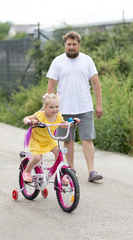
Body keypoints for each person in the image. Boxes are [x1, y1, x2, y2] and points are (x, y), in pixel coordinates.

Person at [46, 31, 103, 182]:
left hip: (85, 108)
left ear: (79, 45)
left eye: (74, 44)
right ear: (65, 45)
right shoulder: (58, 62)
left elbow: (96, 83)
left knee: (87, 139)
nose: (71, 47)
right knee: (67, 141)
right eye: (69, 44)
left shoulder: (87, 60)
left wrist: (99, 105)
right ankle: (70, 169)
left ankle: (91, 171)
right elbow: (51, 85)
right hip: (63, 110)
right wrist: (49, 109)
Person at [22, 93, 80, 183]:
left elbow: (63, 124)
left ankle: (62, 175)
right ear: (45, 107)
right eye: (51, 107)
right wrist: (29, 122)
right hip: (37, 140)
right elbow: (26, 118)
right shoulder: (40, 115)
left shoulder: (58, 116)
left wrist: (72, 122)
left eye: (56, 107)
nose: (54, 109)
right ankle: (27, 171)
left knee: (59, 153)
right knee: (37, 158)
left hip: (49, 140)